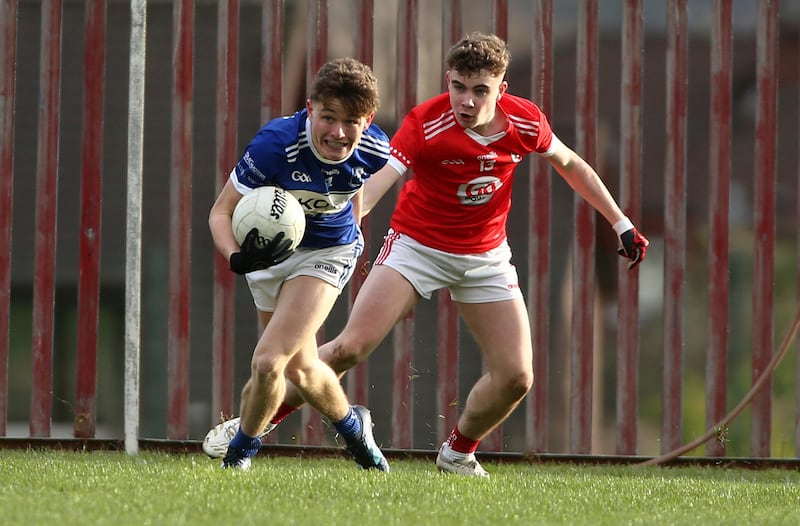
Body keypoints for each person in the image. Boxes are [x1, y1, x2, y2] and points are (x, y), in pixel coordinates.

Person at [206, 32, 648, 476]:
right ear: (448, 81)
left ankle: (457, 453)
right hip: (416, 247)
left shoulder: (526, 122)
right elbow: (375, 184)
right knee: (348, 349)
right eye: (458, 86)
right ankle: (254, 427)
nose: (466, 101)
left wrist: (620, 222)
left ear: (501, 90)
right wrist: (345, 235)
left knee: (517, 378)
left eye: (480, 90)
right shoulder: (425, 122)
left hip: (486, 254)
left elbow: (572, 165)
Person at [206, 57, 391, 471]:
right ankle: (357, 433)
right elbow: (220, 213)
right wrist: (236, 257)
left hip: (329, 253)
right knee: (303, 369)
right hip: (271, 258)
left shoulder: (375, 148)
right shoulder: (275, 145)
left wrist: (351, 234)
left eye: (351, 121)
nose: (338, 132)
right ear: (310, 109)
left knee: (269, 361)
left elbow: (356, 191)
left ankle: (237, 458)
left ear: (369, 120)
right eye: (328, 117)